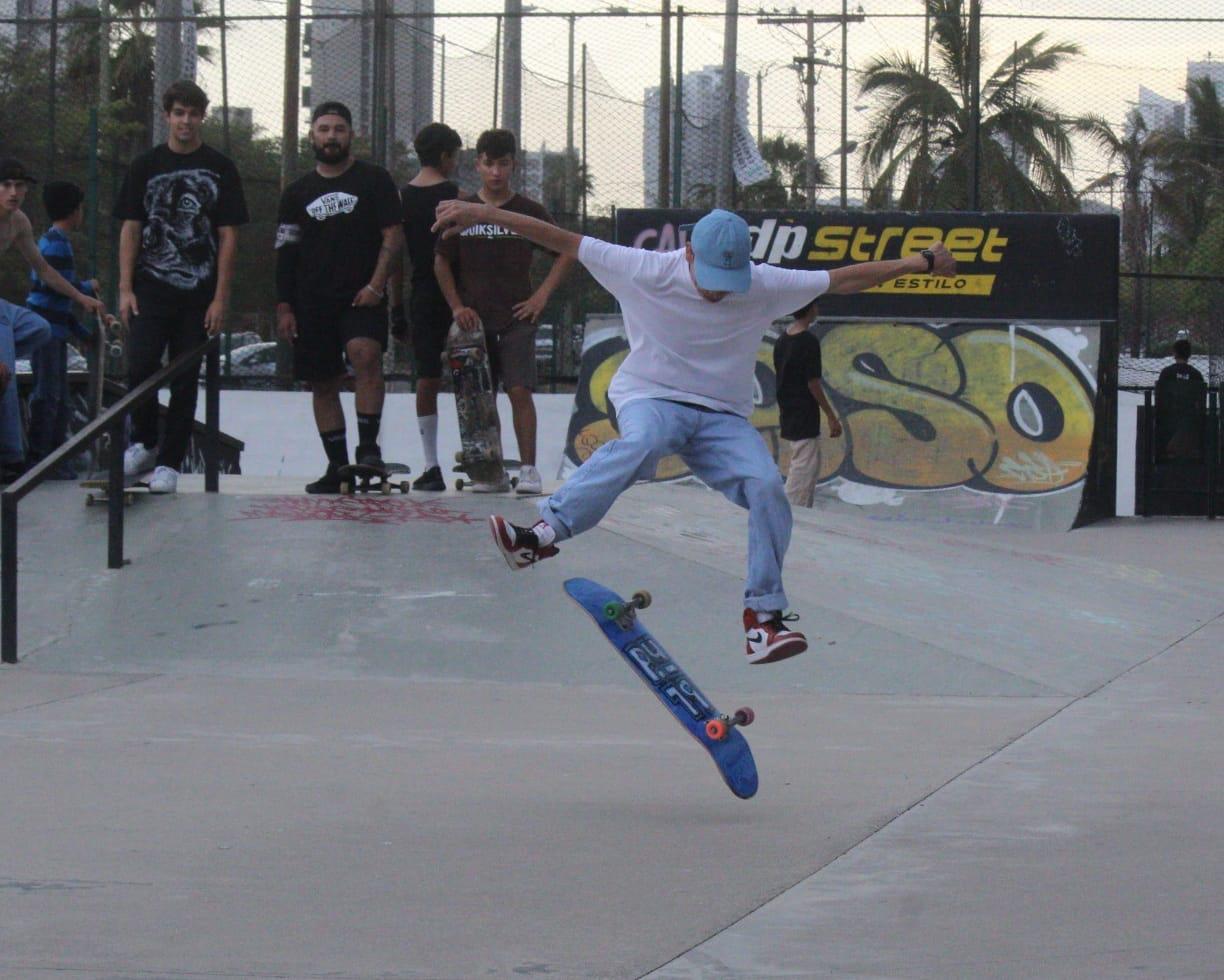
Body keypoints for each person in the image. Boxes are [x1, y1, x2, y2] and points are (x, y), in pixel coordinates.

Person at [434, 203, 955, 664]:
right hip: (651, 398)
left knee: (768, 488)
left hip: (723, 420)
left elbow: (842, 278)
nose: (717, 292)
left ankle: (763, 622)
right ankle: (540, 538)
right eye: (709, 278)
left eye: (729, 281)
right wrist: (484, 214)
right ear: (686, 254)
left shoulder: (762, 282)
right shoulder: (644, 268)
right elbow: (562, 240)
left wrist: (918, 263)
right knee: (641, 443)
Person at [116, 80, 248, 494]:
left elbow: (228, 235)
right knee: (140, 365)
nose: (185, 121)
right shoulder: (146, 166)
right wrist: (124, 287)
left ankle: (170, 463)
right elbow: (131, 228)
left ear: (201, 117)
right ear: (168, 116)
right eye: (178, 113)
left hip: (198, 293)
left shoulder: (221, 167)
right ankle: (144, 441)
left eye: (192, 114)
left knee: (186, 376)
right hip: (150, 288)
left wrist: (220, 297)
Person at [434, 128, 574, 494]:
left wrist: (540, 297)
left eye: (504, 164)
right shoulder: (460, 210)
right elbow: (440, 263)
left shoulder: (528, 212)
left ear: (514, 166)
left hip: (516, 319)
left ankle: (528, 470)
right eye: (489, 164)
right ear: (477, 164)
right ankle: (490, 471)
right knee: (481, 399)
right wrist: (457, 306)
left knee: (519, 391)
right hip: (474, 324)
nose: (496, 172)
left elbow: (566, 251)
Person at [275, 100, 405, 493]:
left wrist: (376, 285)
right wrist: (284, 305)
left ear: (351, 135)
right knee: (322, 381)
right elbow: (285, 251)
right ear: (312, 135)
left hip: (361, 297)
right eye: (324, 129)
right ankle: (337, 465)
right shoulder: (296, 193)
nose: (331, 136)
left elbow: (393, 236)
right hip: (312, 301)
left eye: (339, 129)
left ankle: (369, 450)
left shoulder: (374, 180)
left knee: (365, 355)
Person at [0, 159, 106, 483]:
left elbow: (44, 269)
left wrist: (81, 297)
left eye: (20, 187)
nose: (14, 193)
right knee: (6, 371)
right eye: (6, 186)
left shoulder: (19, 222)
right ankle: (12, 457)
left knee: (39, 329)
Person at [390, 122, 462, 492]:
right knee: (470, 377)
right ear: (447, 156)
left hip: (421, 293)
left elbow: (395, 258)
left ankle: (431, 463)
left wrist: (396, 308)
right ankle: (478, 454)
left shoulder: (402, 198)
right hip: (458, 294)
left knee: (427, 377)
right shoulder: (455, 196)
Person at [25, 180, 99, 477]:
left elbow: (61, 305)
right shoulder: (56, 244)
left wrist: (84, 335)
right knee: (48, 394)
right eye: (81, 209)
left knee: (60, 396)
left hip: (52, 332)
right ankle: (40, 459)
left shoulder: (55, 241)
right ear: (73, 211)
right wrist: (84, 288)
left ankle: (56, 455)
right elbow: (54, 290)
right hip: (44, 334)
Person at [772, 298, 842, 508]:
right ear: (811, 309)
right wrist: (830, 415)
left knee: (804, 460)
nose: (817, 309)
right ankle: (793, 509)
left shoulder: (782, 340)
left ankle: (798, 506)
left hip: (788, 407)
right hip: (804, 409)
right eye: (815, 306)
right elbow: (813, 383)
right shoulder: (808, 342)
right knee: (805, 464)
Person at [1154, 337, 1207, 461]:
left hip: (1167, 423)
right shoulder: (1196, 375)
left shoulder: (1166, 373)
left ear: (1174, 353)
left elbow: (1160, 399)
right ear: (1189, 354)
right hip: (1190, 425)